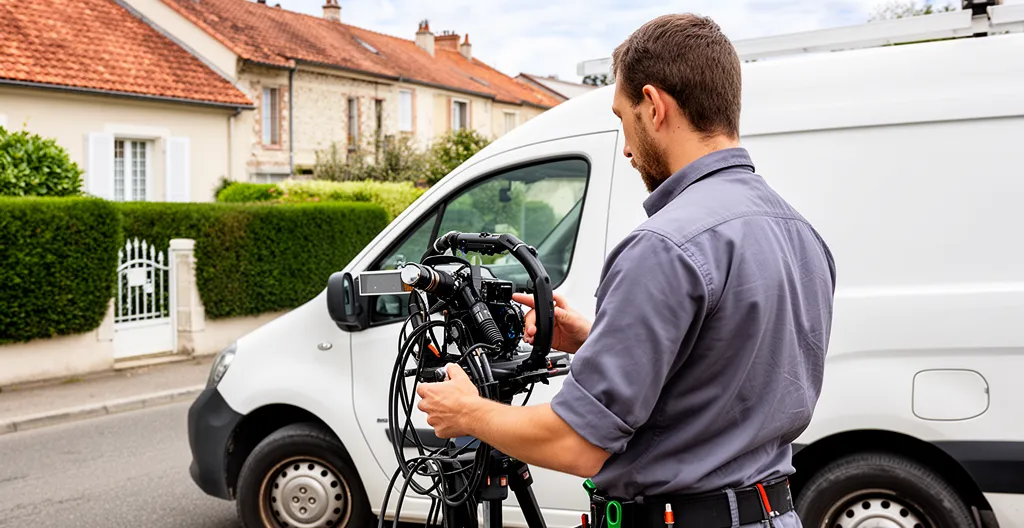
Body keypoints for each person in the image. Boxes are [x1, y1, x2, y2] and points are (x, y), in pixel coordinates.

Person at [416, 12, 836, 528]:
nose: (627, 149)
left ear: (654, 106)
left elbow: (578, 443)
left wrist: (468, 412)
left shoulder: (663, 245)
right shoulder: (799, 232)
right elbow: (728, 370)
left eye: (622, 118)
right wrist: (596, 338)